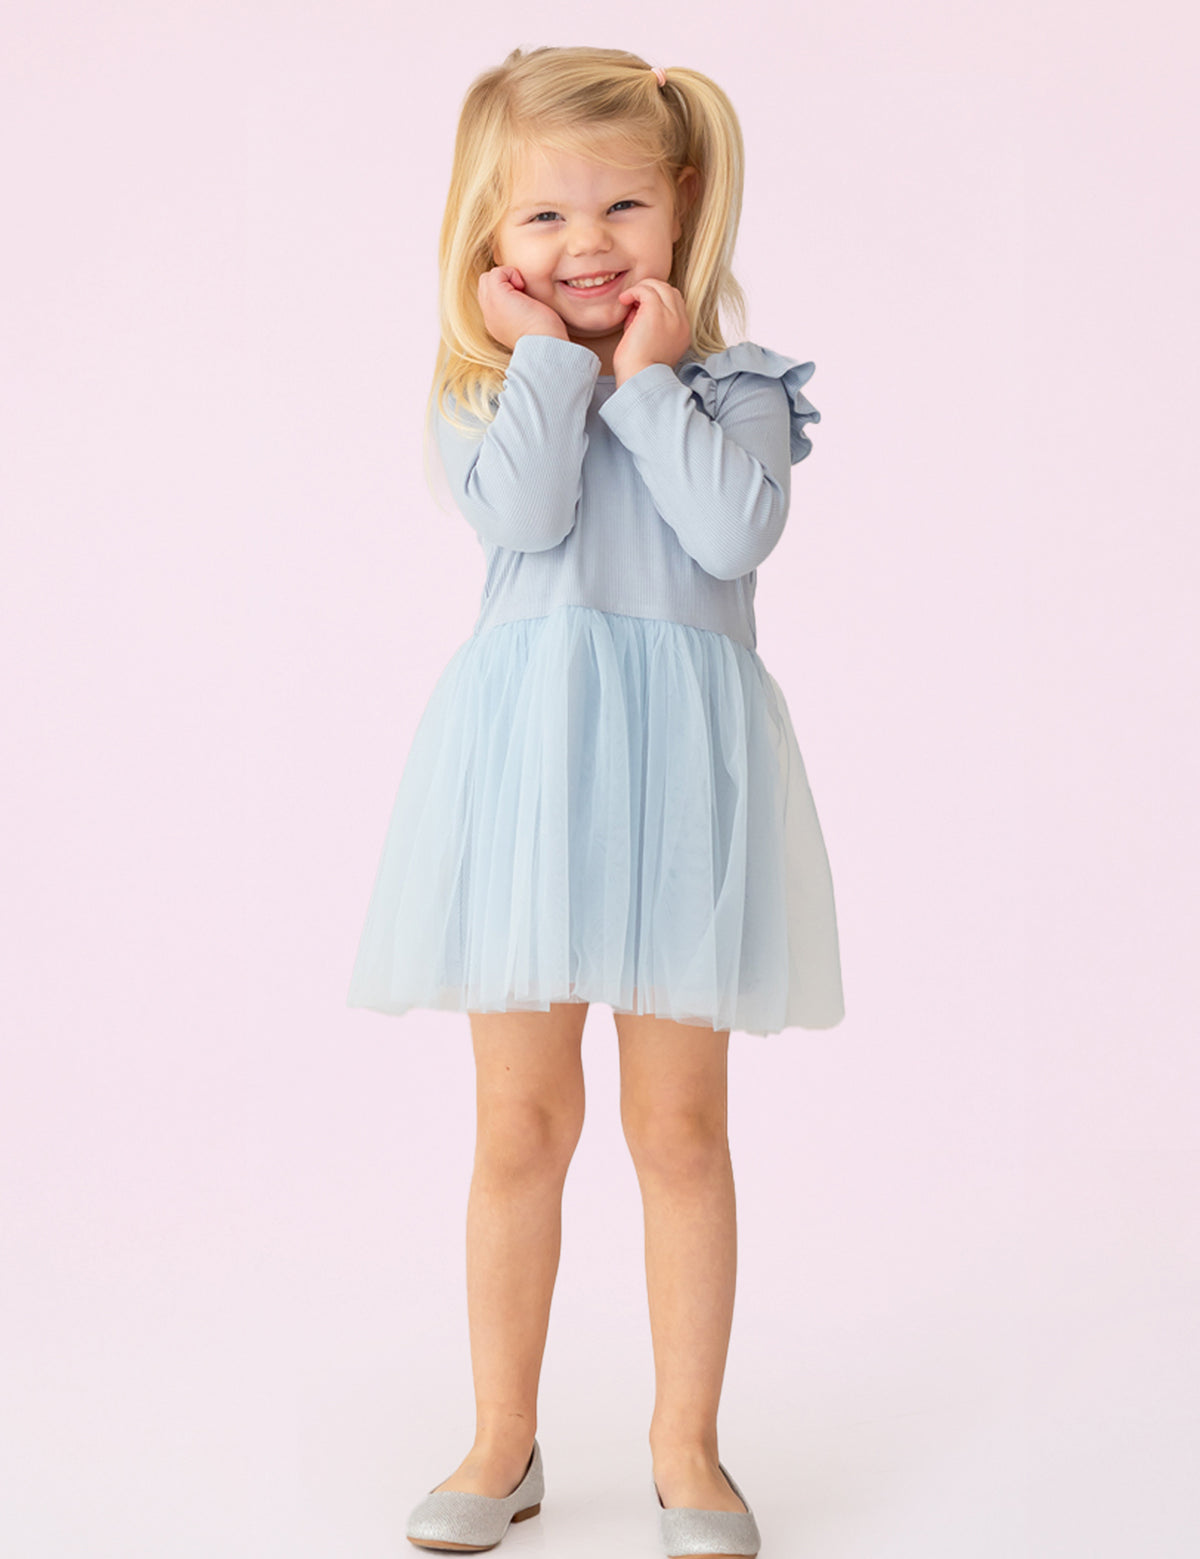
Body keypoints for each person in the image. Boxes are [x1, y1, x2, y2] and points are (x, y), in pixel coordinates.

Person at [346, 43, 845, 1558]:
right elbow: (526, 510)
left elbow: (730, 536)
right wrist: (556, 369)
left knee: (679, 1129)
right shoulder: (486, 393)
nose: (588, 244)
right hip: (532, 774)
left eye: (622, 206)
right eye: (546, 217)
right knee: (520, 1125)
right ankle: (501, 1439)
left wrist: (641, 380)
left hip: (680, 778)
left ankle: (686, 1446)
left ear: (683, 200)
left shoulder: (736, 392)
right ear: (491, 237)